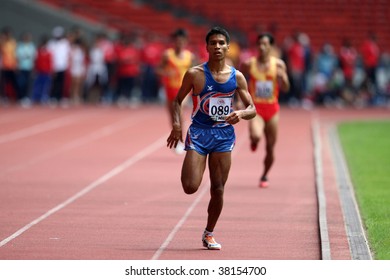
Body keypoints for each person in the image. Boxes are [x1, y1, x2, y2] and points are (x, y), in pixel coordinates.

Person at [166, 26, 256, 250]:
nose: (217, 46)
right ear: (206, 47)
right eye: (213, 43)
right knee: (190, 186)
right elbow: (177, 101)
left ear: (228, 47)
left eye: (221, 43)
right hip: (198, 133)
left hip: (224, 136)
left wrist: (242, 113)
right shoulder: (195, 73)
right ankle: (207, 228)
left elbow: (252, 107)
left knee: (218, 188)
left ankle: (209, 233)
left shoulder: (237, 77)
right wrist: (177, 124)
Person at [241, 32, 290, 188]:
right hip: (256, 109)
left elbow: (286, 88)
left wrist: (283, 78)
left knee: (270, 147)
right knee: (256, 135)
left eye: (265, 44)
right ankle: (254, 140)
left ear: (271, 47)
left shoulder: (279, 65)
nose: (262, 47)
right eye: (260, 44)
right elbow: (238, 82)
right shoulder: (249, 64)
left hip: (272, 109)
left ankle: (265, 175)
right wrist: (237, 100)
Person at [158, 28, 196, 154]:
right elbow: (158, 69)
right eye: (177, 41)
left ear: (185, 42)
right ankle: (176, 137)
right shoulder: (167, 55)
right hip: (170, 88)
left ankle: (181, 140)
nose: (179, 44)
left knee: (178, 111)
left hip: (183, 89)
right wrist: (166, 72)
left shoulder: (190, 57)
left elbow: (195, 71)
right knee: (173, 116)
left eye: (182, 41)